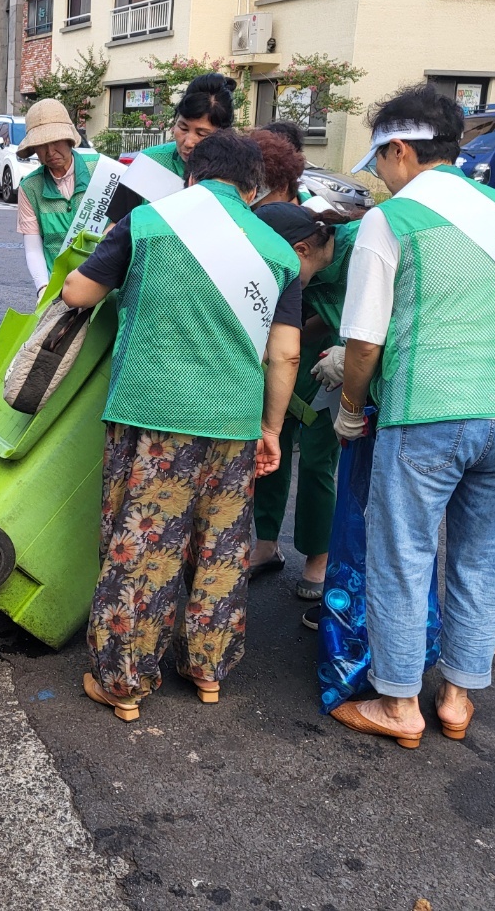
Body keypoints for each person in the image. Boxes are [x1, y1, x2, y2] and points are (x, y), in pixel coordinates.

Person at [329, 84, 495, 748]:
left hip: (428, 410)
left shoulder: (390, 220)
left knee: (403, 556)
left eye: (380, 159)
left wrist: (349, 406)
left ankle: (399, 706)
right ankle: (455, 697)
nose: (380, 173)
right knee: (482, 558)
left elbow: (364, 341)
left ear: (399, 148)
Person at [62, 131, 302, 721]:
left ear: (192, 176)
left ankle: (124, 685)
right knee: (220, 549)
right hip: (234, 421)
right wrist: (270, 428)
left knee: (144, 547)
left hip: (152, 414)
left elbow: (79, 292)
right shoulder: (278, 251)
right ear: (253, 189)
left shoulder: (147, 224)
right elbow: (286, 354)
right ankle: (207, 671)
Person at [246, 127, 353, 600]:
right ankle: (266, 543)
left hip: (341, 360)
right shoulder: (279, 225)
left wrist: (346, 352)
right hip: (296, 348)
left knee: (317, 460)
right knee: (270, 445)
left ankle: (318, 556)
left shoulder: (353, 248)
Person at [15, 98, 100, 296]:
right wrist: (43, 288)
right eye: (41, 145)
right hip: (60, 290)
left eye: (56, 141)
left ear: (69, 139)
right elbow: (33, 248)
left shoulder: (101, 170)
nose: (50, 152)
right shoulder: (30, 187)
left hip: (105, 283)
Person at [136, 73, 236, 181]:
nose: (188, 143)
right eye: (183, 128)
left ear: (224, 134)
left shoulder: (237, 172)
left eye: (201, 134)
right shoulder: (149, 162)